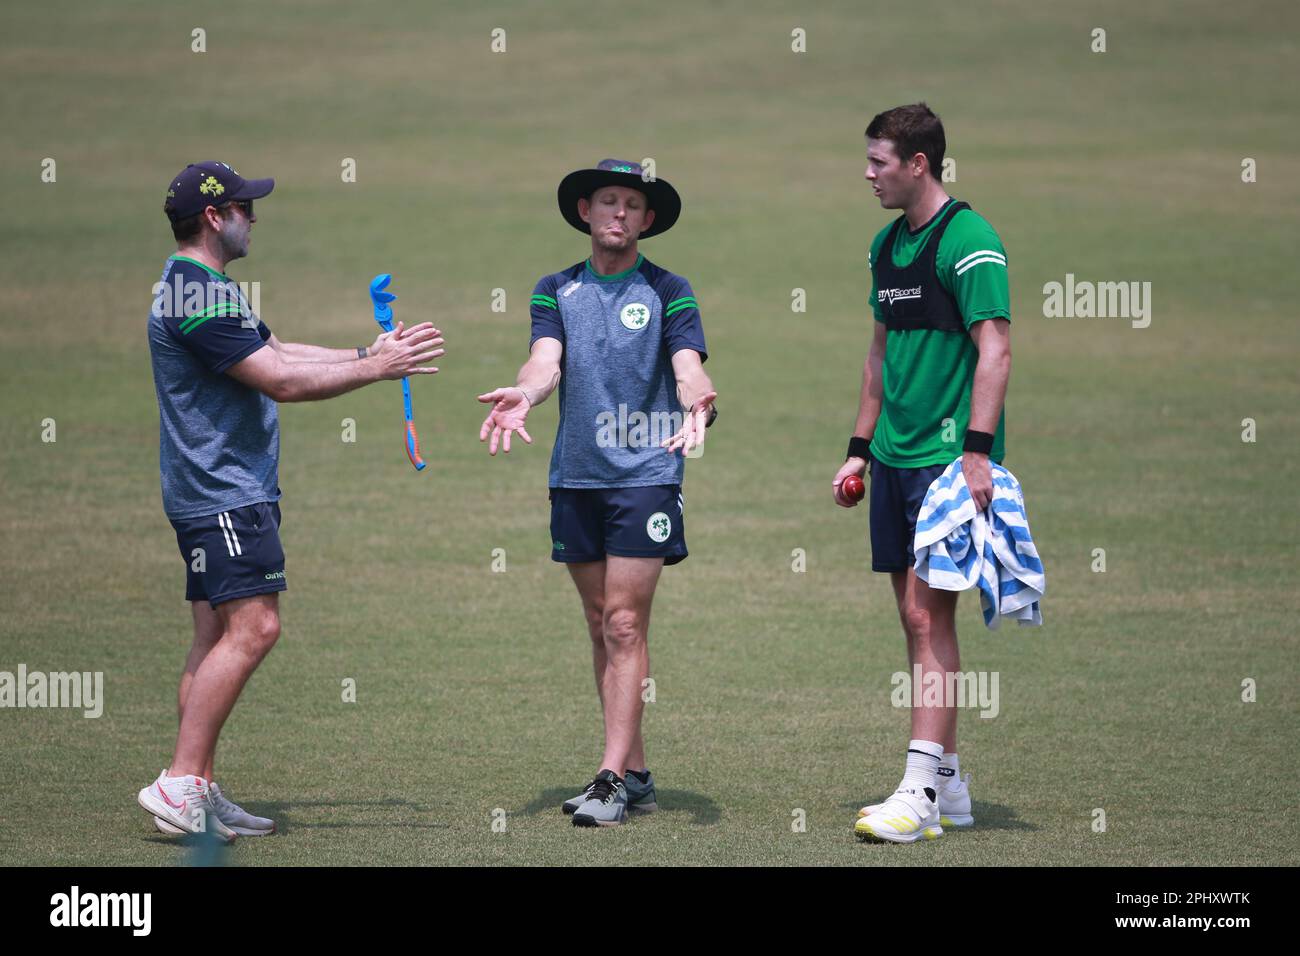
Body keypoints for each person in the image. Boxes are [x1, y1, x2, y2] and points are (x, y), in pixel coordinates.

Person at [139, 161, 445, 841]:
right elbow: (280, 381)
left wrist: (368, 349)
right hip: (222, 490)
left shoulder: (204, 286)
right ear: (216, 217)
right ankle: (180, 781)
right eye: (246, 207)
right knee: (256, 628)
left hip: (212, 490)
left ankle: (197, 786)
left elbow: (276, 349)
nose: (256, 216)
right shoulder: (195, 294)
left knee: (214, 635)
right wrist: (377, 370)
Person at [477, 159, 716, 827]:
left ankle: (609, 779)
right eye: (607, 202)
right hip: (576, 476)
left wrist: (700, 404)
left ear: (647, 219)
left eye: (631, 205)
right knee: (599, 624)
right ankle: (635, 771)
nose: (619, 213)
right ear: (585, 212)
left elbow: (688, 366)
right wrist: (523, 394)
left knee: (623, 623)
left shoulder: (670, 289)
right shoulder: (556, 289)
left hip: (646, 477)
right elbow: (545, 360)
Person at [831, 106, 1012, 843]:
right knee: (911, 617)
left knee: (930, 617)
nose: (868, 174)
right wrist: (859, 447)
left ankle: (918, 795)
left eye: (880, 162)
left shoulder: (969, 241)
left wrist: (976, 452)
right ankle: (950, 784)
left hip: (946, 461)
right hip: (896, 459)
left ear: (919, 165)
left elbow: (995, 350)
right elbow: (879, 355)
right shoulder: (885, 245)